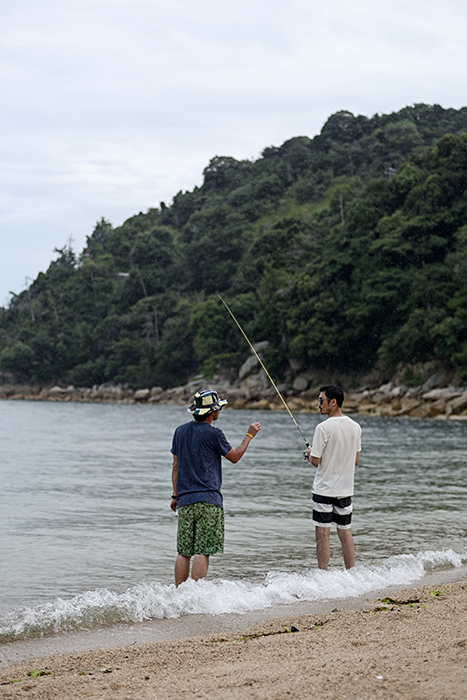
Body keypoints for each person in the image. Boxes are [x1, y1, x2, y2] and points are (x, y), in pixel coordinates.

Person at [170, 389, 261, 586]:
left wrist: (176, 496)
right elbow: (234, 457)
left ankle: (178, 596)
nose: (220, 411)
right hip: (209, 501)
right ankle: (196, 594)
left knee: (183, 552)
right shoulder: (214, 434)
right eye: (219, 408)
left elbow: (175, 466)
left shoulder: (180, 431)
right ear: (212, 412)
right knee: (202, 551)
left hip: (185, 500)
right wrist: (249, 435)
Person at [306, 385, 361, 570]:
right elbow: (356, 460)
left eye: (321, 400)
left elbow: (315, 461)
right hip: (345, 490)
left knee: (322, 534)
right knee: (345, 533)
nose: (319, 404)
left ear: (333, 402)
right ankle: (352, 573)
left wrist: (309, 454)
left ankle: (323, 576)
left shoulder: (322, 428)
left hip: (324, 490)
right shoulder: (355, 427)